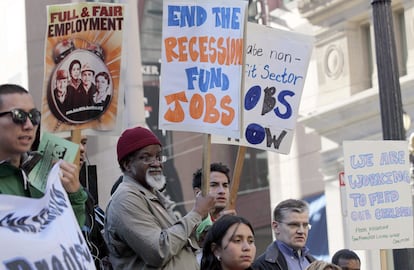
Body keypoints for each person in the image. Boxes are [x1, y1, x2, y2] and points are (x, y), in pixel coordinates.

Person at [104, 126, 216, 269]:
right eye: (146, 157)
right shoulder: (125, 199)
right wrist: (197, 213)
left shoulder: (153, 196)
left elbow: (175, 243)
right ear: (127, 164)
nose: (156, 163)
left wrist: (198, 237)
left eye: (158, 157)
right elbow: (158, 251)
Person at [0, 83, 87, 226]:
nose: (28, 125)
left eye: (34, 116)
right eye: (18, 115)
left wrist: (74, 195)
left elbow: (67, 235)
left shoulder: (46, 172)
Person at [253, 199, 316, 270]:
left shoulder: (315, 263)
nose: (301, 231)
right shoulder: (261, 266)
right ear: (276, 227)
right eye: (294, 225)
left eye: (305, 225)